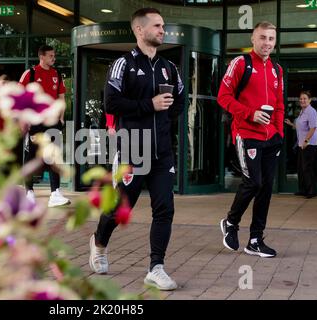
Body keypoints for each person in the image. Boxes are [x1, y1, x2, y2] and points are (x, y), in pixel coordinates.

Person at [88, 8, 184, 291]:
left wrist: (163, 120)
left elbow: (180, 100)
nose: (162, 30)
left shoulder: (170, 67)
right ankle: (99, 241)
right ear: (139, 30)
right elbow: (111, 104)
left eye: (163, 26)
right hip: (133, 149)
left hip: (163, 151)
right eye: (157, 26)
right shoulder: (123, 64)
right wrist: (148, 107)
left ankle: (156, 267)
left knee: (165, 209)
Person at [217, 21, 284, 258]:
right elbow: (223, 97)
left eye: (271, 39)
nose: (267, 43)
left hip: (271, 139)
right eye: (263, 38)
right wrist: (250, 113)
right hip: (247, 134)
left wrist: (278, 132)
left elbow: (279, 105)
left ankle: (255, 239)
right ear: (253, 39)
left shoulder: (277, 69)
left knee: (266, 188)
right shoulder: (240, 64)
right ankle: (231, 223)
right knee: (253, 182)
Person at [19, 45, 70, 208]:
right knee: (31, 158)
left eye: (54, 55)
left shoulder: (56, 74)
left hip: (53, 122)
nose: (53, 58)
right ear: (42, 57)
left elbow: (61, 97)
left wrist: (61, 117)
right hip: (34, 121)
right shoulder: (30, 73)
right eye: (50, 56)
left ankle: (55, 194)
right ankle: (29, 193)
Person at [285, 91, 317, 198]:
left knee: (307, 168)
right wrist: (291, 124)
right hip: (301, 144)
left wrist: (305, 141)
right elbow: (301, 127)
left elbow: (313, 128)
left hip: (309, 145)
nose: (302, 100)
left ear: (310, 100)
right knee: (301, 168)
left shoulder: (311, 112)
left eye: (304, 98)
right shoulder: (302, 111)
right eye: (301, 99)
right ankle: (303, 189)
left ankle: (311, 191)